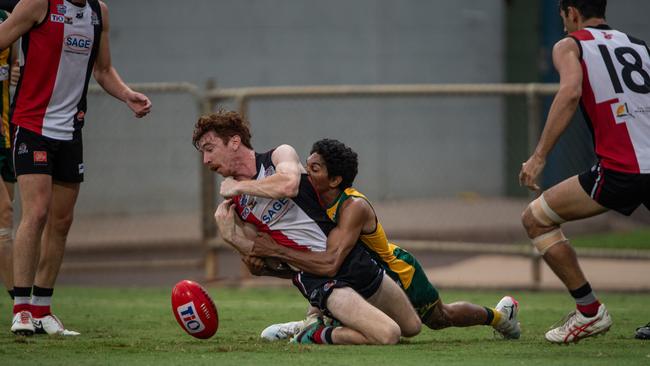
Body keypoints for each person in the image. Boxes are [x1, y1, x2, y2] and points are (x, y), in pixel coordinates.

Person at [252, 138, 521, 341]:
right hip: (358, 271)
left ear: (334, 180)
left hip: (397, 272)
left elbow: (330, 262)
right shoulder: (313, 202)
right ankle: (312, 324)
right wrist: (266, 268)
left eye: (314, 169)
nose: (305, 175)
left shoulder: (352, 207)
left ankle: (500, 317)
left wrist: (276, 256)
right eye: (307, 167)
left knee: (440, 318)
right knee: (330, 280)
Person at [193, 110, 421, 345]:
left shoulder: (278, 156)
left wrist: (240, 187)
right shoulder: (236, 206)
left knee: (412, 327)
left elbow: (289, 185)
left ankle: (320, 321)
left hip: (349, 258)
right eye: (203, 154)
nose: (206, 160)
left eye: (210, 149)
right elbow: (263, 253)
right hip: (319, 279)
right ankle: (312, 333)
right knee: (388, 334)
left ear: (234, 142)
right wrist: (231, 236)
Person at [0, 0, 152, 337]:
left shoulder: (99, 12)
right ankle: (21, 309)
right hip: (32, 125)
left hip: (70, 130)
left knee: (62, 221)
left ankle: (42, 309)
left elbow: (103, 70)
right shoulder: (39, 4)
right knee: (36, 212)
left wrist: (127, 94)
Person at [519, 0, 650, 343]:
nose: (564, 25)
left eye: (563, 17)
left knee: (536, 219)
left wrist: (539, 156)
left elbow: (570, 92)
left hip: (622, 169)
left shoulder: (569, 45)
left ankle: (589, 312)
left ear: (572, 12)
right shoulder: (637, 45)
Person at [0, 6, 18, 302]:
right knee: (5, 211)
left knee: (6, 216)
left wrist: (16, 72)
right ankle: (21, 302)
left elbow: (16, 66)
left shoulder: (6, 18)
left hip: (7, 133)